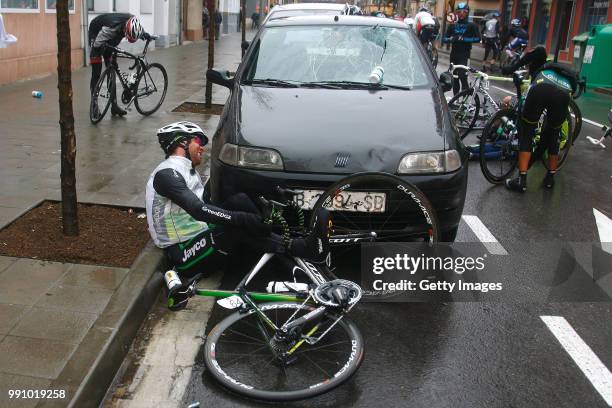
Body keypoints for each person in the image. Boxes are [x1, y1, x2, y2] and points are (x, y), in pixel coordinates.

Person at [145, 121, 331, 309]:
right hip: (183, 253)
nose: (202, 146)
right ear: (182, 143)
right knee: (236, 226)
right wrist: (242, 219)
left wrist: (274, 192)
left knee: (240, 200)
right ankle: (298, 248)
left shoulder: (185, 170)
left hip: (197, 236)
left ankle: (284, 248)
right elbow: (198, 210)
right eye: (198, 140)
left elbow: (213, 207)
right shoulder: (166, 174)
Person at [501, 46, 578, 192]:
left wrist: (512, 68)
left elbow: (525, 99)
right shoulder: (568, 77)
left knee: (527, 131)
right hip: (564, 93)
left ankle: (521, 180)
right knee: (554, 135)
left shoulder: (542, 65)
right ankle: (550, 178)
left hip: (542, 88)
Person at [89, 14, 151, 116]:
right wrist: (100, 52)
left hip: (113, 34)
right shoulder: (110, 29)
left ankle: (114, 106)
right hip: (96, 31)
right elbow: (97, 45)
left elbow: (137, 29)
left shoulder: (133, 23)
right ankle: (93, 106)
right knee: (96, 71)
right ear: (125, 30)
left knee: (112, 67)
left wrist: (144, 34)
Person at [443, 3, 480, 95]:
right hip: (454, 54)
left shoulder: (472, 25)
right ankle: (455, 99)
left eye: (464, 12)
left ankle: (465, 97)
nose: (461, 14)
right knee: (454, 77)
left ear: (467, 13)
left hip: (465, 54)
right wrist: (451, 39)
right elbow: (444, 38)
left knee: (463, 76)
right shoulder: (452, 25)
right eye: (459, 12)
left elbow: (478, 39)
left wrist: (465, 39)